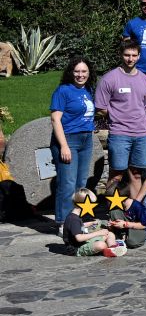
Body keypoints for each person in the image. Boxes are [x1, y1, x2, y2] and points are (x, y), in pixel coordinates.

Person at [96, 41, 146, 199]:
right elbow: (100, 107)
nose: (130, 58)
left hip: (142, 134)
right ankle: (113, 211)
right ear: (121, 55)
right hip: (119, 133)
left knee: (136, 174)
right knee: (116, 174)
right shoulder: (109, 79)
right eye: (127, 55)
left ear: (139, 56)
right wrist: (116, 116)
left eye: (134, 55)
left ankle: (134, 210)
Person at [50, 57, 97, 226]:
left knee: (81, 184)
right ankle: (63, 223)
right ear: (71, 72)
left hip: (86, 140)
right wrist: (64, 146)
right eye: (77, 71)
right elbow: (55, 119)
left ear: (89, 72)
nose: (80, 75)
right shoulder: (63, 91)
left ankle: (77, 220)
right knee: (67, 184)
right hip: (68, 140)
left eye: (84, 71)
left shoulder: (88, 90)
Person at [62, 189, 125, 258]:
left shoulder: (74, 215)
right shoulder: (74, 219)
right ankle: (109, 249)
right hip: (76, 248)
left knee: (109, 234)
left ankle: (112, 248)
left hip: (83, 242)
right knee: (101, 245)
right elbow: (79, 238)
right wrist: (98, 233)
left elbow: (78, 227)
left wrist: (91, 223)